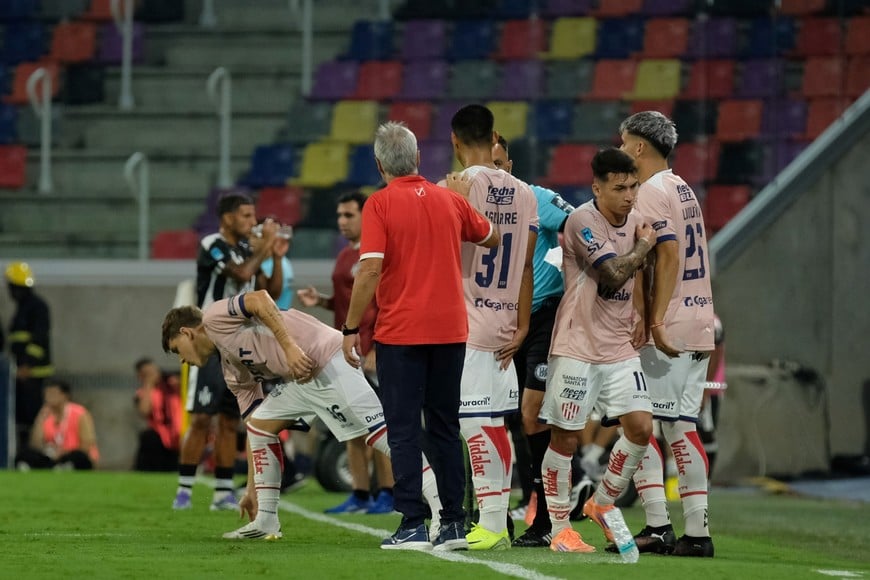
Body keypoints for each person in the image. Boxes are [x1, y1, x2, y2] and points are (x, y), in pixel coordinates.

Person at [161, 289, 444, 541]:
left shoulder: (213, 317)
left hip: (329, 358)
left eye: (177, 350)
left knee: (384, 437)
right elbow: (252, 426)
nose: (182, 360)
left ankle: (441, 511)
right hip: (303, 381)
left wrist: (289, 347)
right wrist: (251, 489)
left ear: (187, 332)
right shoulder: (232, 370)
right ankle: (266, 519)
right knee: (259, 426)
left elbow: (260, 299)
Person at [341, 121, 499, 551]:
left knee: (404, 428)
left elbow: (370, 268)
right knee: (446, 427)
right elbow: (492, 237)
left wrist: (352, 327)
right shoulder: (450, 199)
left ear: (378, 164)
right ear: (418, 159)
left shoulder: (379, 204)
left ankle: (413, 522)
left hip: (402, 332)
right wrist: (462, 208)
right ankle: (453, 523)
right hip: (451, 330)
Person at [538, 148, 656, 553]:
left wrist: (641, 311)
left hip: (618, 346)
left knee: (641, 428)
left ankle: (602, 504)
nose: (629, 195)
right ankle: (558, 530)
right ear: (597, 187)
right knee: (565, 439)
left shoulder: (638, 221)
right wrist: (642, 249)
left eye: (633, 186)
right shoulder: (582, 221)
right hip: (576, 345)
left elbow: (636, 278)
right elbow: (612, 272)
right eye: (619, 187)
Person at [618, 110, 717, 557]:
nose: (620, 151)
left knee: (641, 425)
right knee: (682, 426)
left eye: (623, 144)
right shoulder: (682, 187)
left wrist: (650, 319)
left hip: (670, 324)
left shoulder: (650, 191)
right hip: (699, 320)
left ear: (639, 146)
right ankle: (697, 533)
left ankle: (658, 524)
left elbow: (665, 257)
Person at [445, 106, 538, 551]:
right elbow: (524, 266)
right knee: (496, 425)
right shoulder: (525, 193)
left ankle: (491, 523)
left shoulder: (458, 188)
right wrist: (522, 324)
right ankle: (495, 523)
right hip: (506, 323)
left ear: (455, 141)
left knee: (474, 424)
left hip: (469, 324)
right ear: (493, 136)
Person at [492, 136, 587, 548]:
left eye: (500, 162)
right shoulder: (471, 203)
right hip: (494, 321)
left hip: (542, 317)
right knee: (504, 418)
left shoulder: (537, 198)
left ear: (510, 163)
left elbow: (579, 229)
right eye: (486, 162)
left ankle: (547, 513)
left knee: (533, 415)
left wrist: (580, 286)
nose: (494, 170)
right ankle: (508, 512)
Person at [174, 193, 284, 512]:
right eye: (247, 216)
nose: (253, 222)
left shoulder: (250, 249)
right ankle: (184, 489)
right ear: (228, 219)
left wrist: (274, 255)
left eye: (254, 216)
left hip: (238, 344)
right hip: (209, 342)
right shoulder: (213, 244)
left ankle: (222, 491)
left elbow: (270, 291)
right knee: (201, 417)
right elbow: (239, 273)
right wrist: (265, 243)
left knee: (227, 419)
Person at [297, 191, 395, 515]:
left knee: (378, 423)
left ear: (365, 217)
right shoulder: (344, 256)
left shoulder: (377, 254)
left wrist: (378, 347)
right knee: (353, 425)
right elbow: (347, 303)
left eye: (348, 215)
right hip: (346, 348)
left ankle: (388, 493)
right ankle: (360, 493)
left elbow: (385, 303)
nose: (342, 221)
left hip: (370, 348)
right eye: (339, 215)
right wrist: (323, 301)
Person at [5, 262, 53, 451]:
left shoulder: (37, 307)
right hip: (20, 371)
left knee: (32, 413)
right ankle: (24, 452)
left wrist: (26, 365)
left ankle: (33, 452)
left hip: (33, 373)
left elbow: (38, 339)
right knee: (22, 415)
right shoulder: (22, 307)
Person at [15, 380, 99, 470]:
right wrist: (40, 419)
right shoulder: (45, 414)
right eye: (47, 394)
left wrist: (63, 452)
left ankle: (66, 467)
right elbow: (35, 444)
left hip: (71, 454)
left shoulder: (80, 413)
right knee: (26, 454)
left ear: (65, 396)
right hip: (51, 455)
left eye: (53, 394)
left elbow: (87, 443)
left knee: (79, 457)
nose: (48, 398)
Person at [134, 358, 182, 472]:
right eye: (147, 373)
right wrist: (148, 384)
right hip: (158, 435)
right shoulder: (143, 393)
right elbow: (144, 411)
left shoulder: (172, 388)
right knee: (148, 438)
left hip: (176, 434)